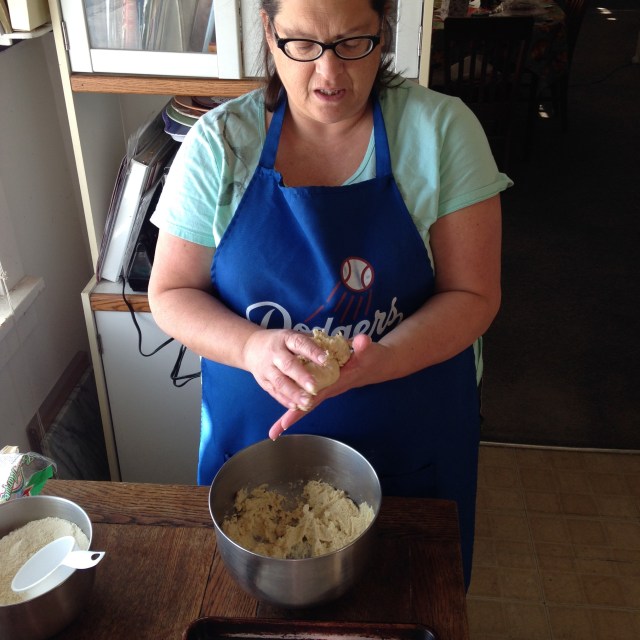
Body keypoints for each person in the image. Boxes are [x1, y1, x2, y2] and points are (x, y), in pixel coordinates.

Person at [148, 0, 511, 589]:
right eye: (302, 45)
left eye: (353, 43)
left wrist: (380, 360)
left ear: (384, 30)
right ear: (269, 33)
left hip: (412, 437)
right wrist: (251, 347)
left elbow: (474, 294)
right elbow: (169, 291)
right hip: (259, 451)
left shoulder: (442, 132)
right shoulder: (221, 145)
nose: (329, 74)